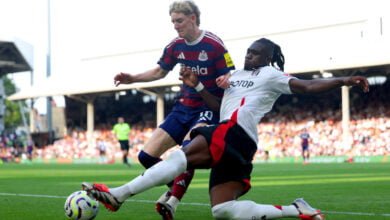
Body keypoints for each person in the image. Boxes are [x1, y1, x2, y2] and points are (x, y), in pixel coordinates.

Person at [83, 38, 369, 219]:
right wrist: (196, 85)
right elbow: (220, 105)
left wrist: (343, 80)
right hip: (234, 138)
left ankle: (119, 194)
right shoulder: (234, 77)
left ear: (267, 57)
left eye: (255, 54)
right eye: (248, 52)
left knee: (181, 156)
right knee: (223, 211)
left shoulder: (271, 75)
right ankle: (298, 210)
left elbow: (307, 86)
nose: (249, 56)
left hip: (235, 131)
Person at [112, 0, 235, 218]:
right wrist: (132, 78)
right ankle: (176, 184)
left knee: (185, 152)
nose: (176, 26)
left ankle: (174, 200)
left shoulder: (214, 44)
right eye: (173, 22)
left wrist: (226, 79)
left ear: (192, 18)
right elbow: (160, 72)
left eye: (179, 21)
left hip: (207, 108)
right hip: (182, 108)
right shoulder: (175, 46)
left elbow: (229, 73)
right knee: (145, 156)